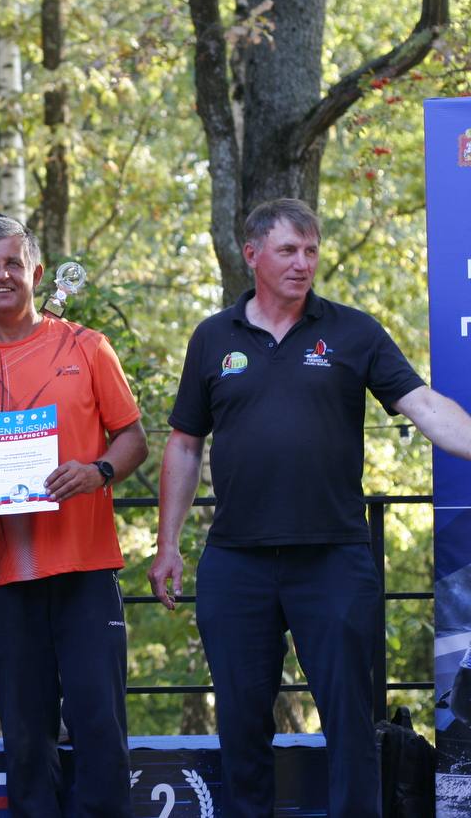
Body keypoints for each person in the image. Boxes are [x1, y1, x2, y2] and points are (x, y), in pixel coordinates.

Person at [150, 198, 471, 818]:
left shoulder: (354, 332)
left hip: (334, 559)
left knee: (350, 723)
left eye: (311, 251)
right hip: (236, 563)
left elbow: (425, 406)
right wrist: (167, 545)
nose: (303, 263)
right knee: (241, 724)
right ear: (252, 255)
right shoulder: (213, 337)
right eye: (288, 250)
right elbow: (185, 444)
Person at [0, 217, 146, 817]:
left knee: (99, 728)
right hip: (6, 575)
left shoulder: (88, 346)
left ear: (35, 271)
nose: (1, 275)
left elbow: (133, 439)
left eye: (12, 263)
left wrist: (99, 471)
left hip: (85, 566)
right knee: (27, 740)